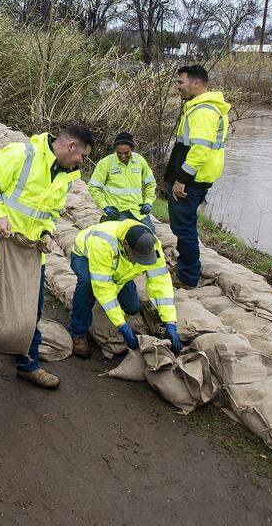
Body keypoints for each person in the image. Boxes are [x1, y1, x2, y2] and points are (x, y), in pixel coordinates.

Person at [0, 125, 94, 390]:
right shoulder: (22, 154)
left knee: (32, 306)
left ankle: (27, 362)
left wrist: (48, 231)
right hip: (1, 245)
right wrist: (0, 215)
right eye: (82, 156)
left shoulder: (66, 175)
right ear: (71, 146)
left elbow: (54, 209)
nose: (81, 162)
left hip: (29, 250)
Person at [66, 218, 180, 359]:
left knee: (132, 307)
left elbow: (161, 283)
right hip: (85, 256)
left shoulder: (151, 245)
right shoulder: (103, 243)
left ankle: (118, 287)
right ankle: (78, 330)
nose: (141, 261)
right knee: (88, 284)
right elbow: (103, 287)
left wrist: (170, 322)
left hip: (121, 270)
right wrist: (122, 325)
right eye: (138, 257)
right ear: (126, 245)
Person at [163, 64, 231, 288]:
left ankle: (188, 276)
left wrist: (181, 179)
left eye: (180, 82)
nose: (177, 87)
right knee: (184, 225)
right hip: (194, 177)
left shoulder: (204, 112)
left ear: (196, 83)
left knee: (184, 228)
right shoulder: (198, 107)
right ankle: (186, 267)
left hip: (191, 180)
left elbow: (200, 150)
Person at [88, 132, 156, 232]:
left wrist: (148, 202)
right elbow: (93, 187)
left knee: (149, 233)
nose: (123, 156)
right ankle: (107, 220)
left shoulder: (140, 161)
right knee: (125, 234)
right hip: (117, 212)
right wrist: (105, 207)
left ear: (132, 149)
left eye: (126, 153)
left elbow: (150, 183)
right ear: (115, 150)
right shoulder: (106, 163)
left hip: (137, 211)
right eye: (119, 153)